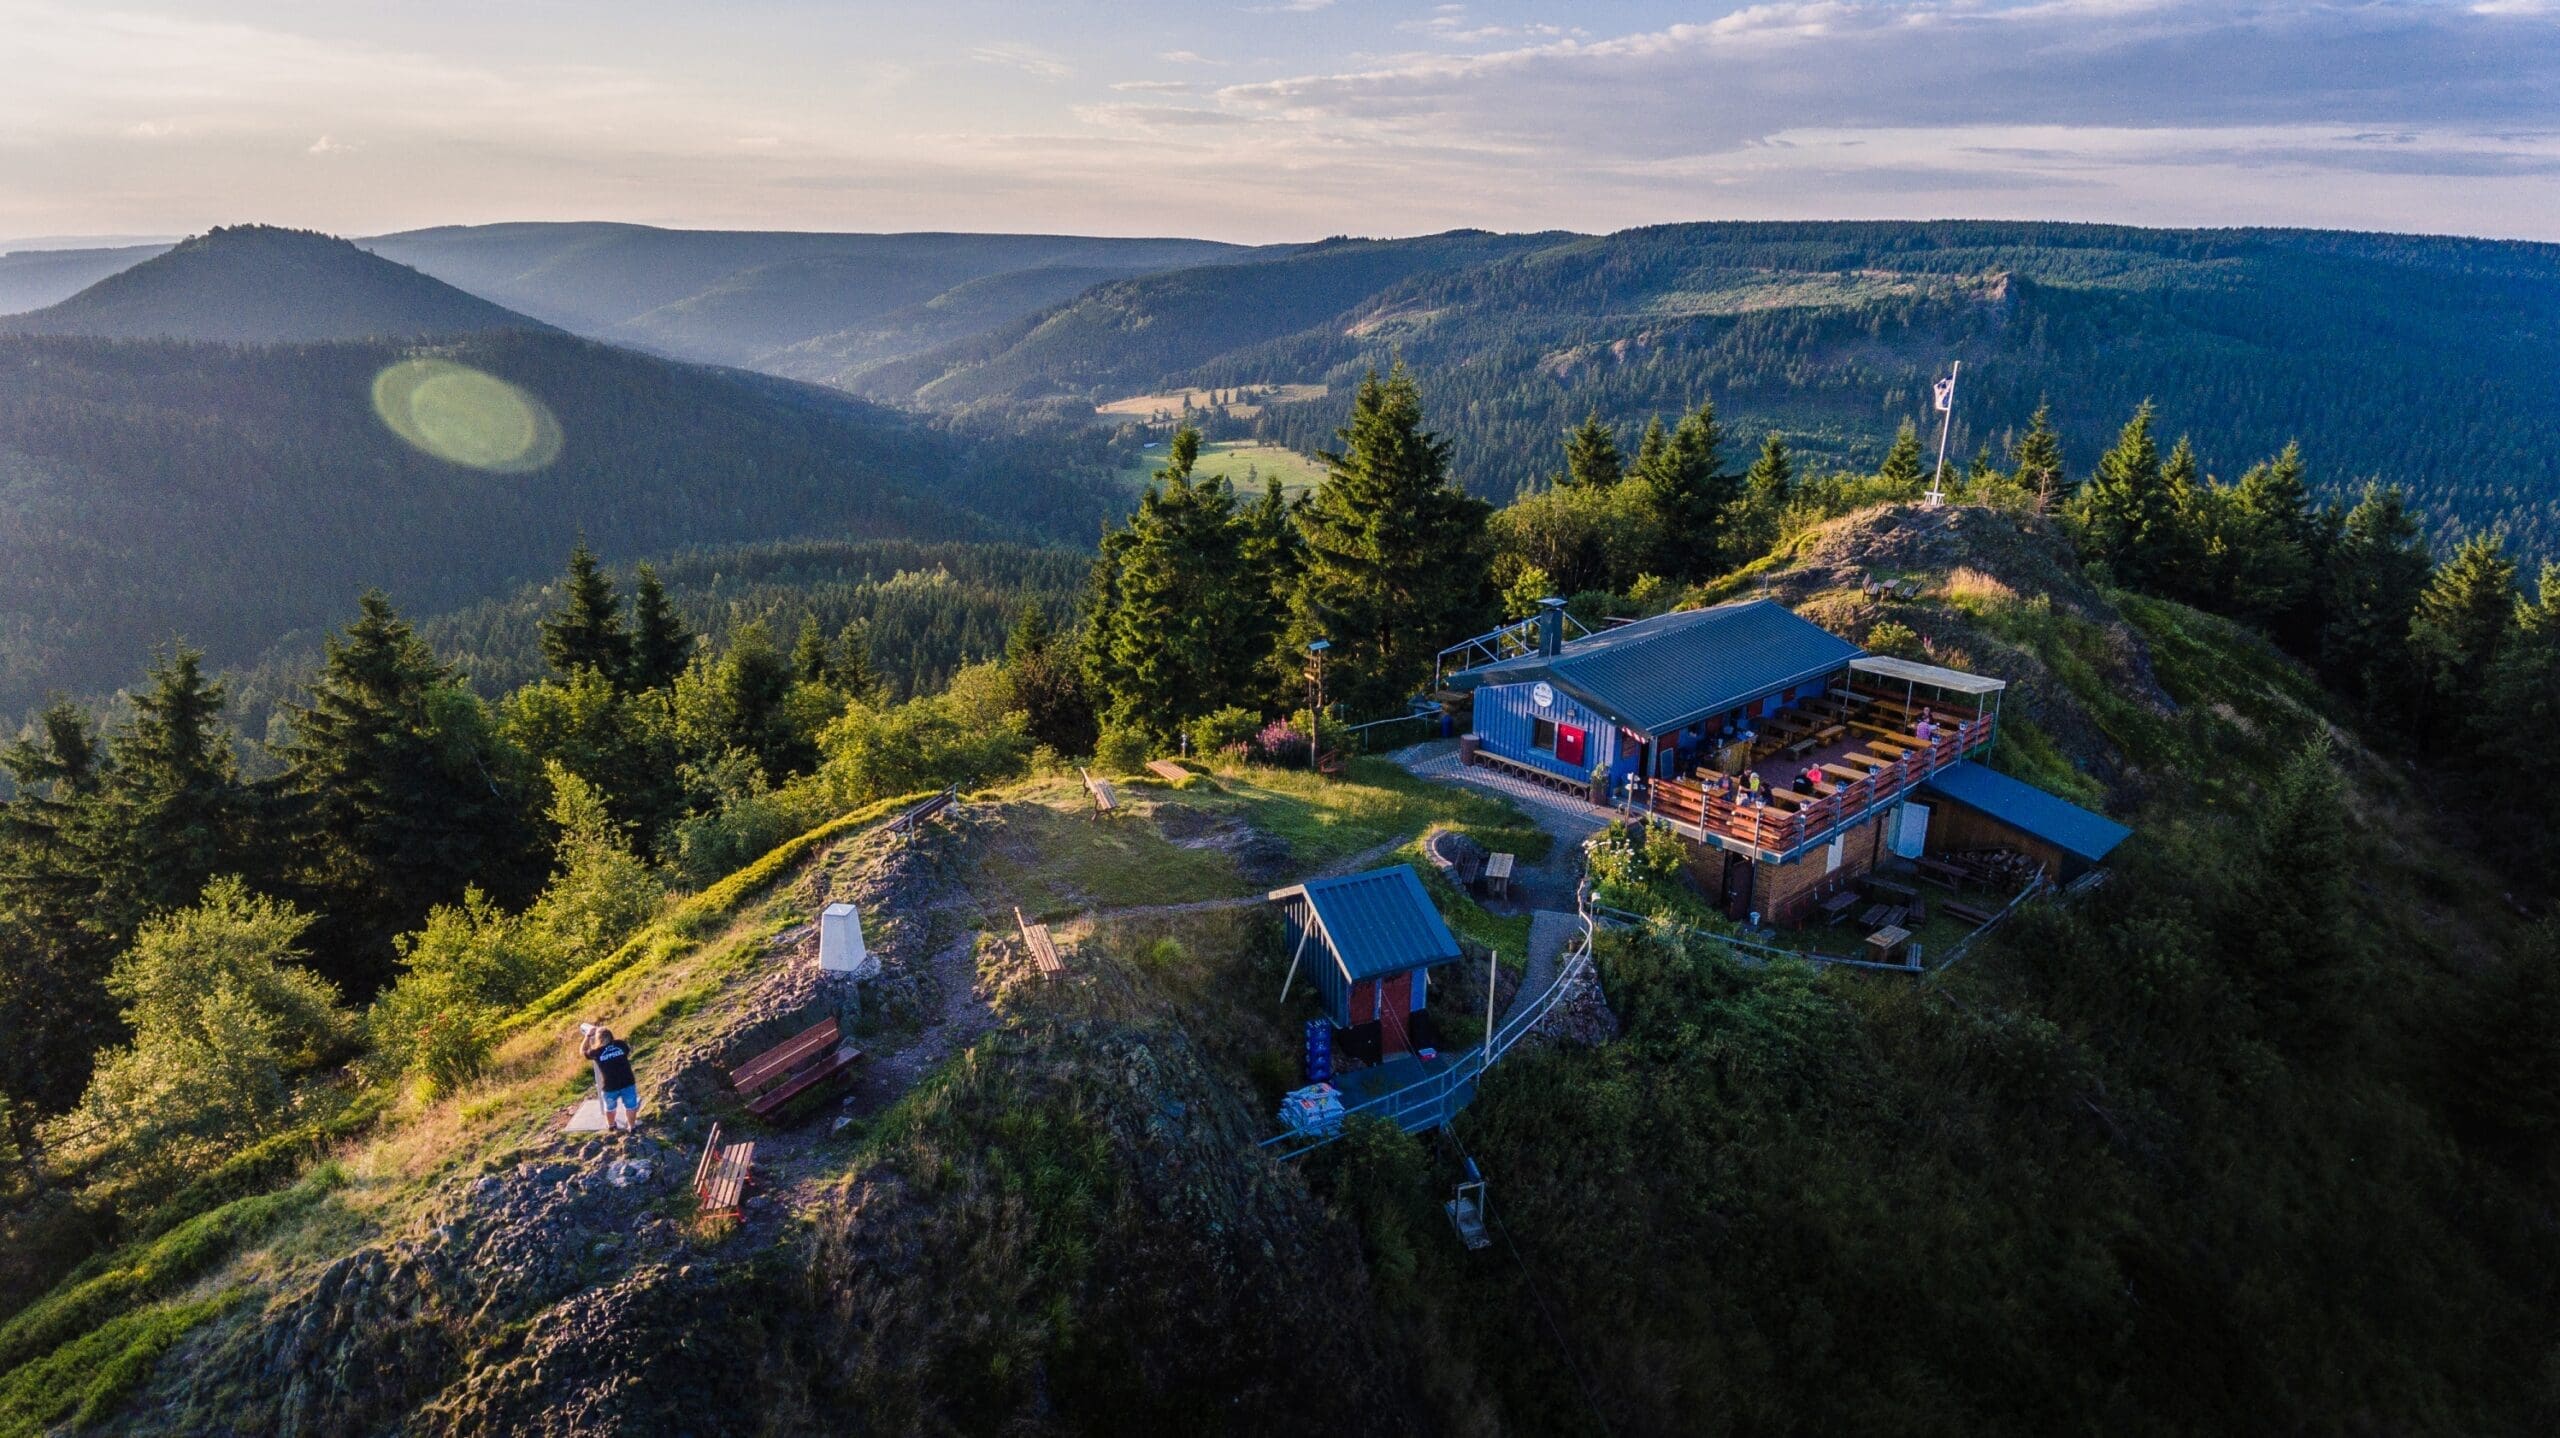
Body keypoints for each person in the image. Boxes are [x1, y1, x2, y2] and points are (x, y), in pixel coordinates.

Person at [579, 1022, 641, 1135]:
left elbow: (583, 1051)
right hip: (627, 1081)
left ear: (599, 1039)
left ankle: (611, 1125)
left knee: (610, 1107)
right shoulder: (621, 1045)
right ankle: (632, 1127)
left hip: (609, 1085)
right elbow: (627, 1050)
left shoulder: (596, 1052)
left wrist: (588, 1036)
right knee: (631, 1106)